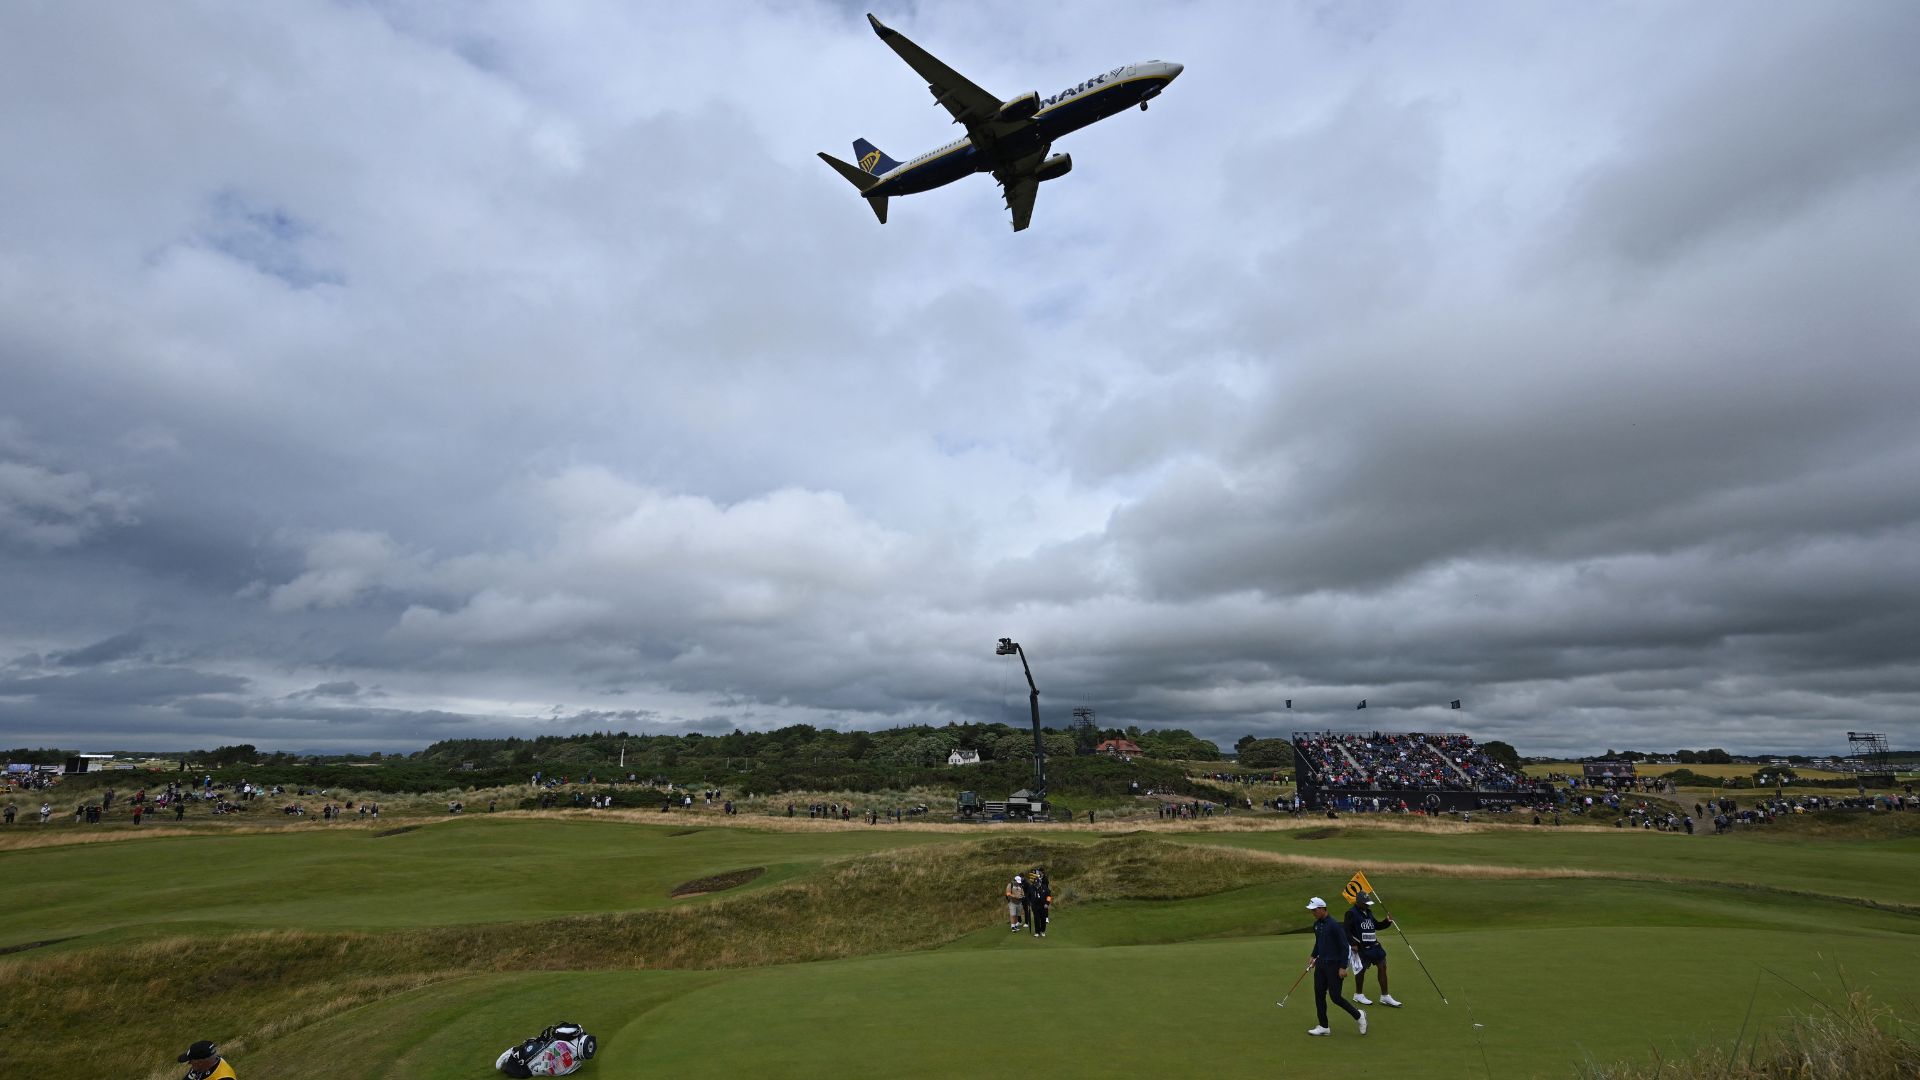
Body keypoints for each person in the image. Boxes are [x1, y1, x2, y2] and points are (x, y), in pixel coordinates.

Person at [1304, 896, 1365, 1036]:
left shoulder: (1334, 925)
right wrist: (1313, 955)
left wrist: (1343, 967)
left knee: (1335, 997)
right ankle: (1323, 1026)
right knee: (1319, 995)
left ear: (1322, 909)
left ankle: (1359, 1016)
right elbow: (1319, 943)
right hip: (1321, 965)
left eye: (1314, 910)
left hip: (1334, 966)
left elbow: (1345, 947)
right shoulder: (1317, 925)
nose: (1313, 913)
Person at [1345, 892, 1401, 1007]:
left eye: (1368, 904)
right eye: (1366, 904)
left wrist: (1387, 921)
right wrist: (1353, 943)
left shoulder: (1368, 913)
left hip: (1374, 946)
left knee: (1382, 966)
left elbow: (1377, 926)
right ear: (1359, 903)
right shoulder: (1351, 913)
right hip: (1361, 947)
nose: (1368, 906)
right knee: (1361, 971)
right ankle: (1358, 994)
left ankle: (1385, 996)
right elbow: (1346, 931)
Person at [1027, 866, 1051, 938]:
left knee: (1043, 919)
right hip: (1035, 906)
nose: (1036, 885)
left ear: (1040, 883)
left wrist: (1047, 904)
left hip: (1043, 906)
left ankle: (1042, 931)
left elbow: (1049, 896)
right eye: (1035, 884)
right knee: (1036, 919)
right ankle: (1037, 932)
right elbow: (1028, 896)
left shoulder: (1045, 888)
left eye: (1037, 884)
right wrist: (1029, 903)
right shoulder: (1031, 887)